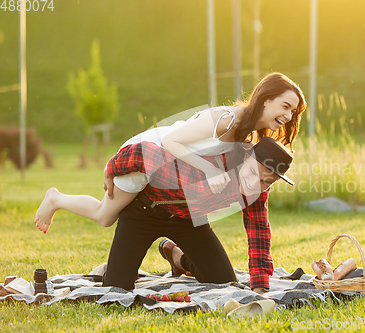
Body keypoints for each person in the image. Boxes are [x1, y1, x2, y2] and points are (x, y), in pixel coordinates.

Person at [34, 72, 306, 233]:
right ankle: (56, 198)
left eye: (292, 111)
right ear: (266, 99)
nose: (288, 115)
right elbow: (172, 142)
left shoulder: (250, 136)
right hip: (148, 156)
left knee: (109, 216)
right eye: (285, 106)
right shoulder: (226, 120)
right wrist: (210, 170)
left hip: (168, 171)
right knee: (105, 216)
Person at [101, 136, 295, 294]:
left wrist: (259, 286)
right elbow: (143, 153)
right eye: (253, 172)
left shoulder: (257, 191)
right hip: (144, 212)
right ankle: (152, 262)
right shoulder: (214, 162)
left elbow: (258, 230)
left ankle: (178, 259)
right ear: (246, 158)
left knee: (224, 283)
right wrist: (111, 168)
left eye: (265, 182)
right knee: (115, 289)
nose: (254, 184)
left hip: (189, 220)